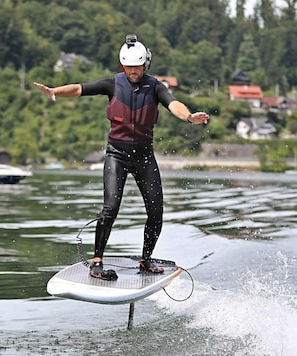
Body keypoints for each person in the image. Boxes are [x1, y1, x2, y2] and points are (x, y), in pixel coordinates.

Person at [34, 34, 209, 281]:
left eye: (137, 67)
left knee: (156, 210)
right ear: (122, 65)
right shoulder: (113, 84)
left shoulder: (156, 86)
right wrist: (55, 91)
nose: (133, 72)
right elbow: (81, 88)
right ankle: (97, 262)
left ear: (144, 65)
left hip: (144, 157)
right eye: (129, 67)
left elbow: (173, 104)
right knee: (110, 208)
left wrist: (189, 117)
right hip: (117, 155)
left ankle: (146, 259)